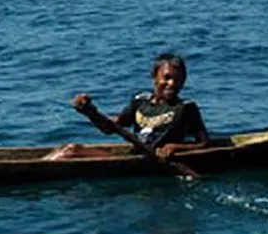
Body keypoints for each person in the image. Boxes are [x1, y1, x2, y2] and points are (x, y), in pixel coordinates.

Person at [47, 52, 209, 161]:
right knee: (70, 149)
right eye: (166, 78)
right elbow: (110, 128)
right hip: (134, 156)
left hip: (153, 160)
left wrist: (175, 147)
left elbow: (204, 144)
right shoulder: (141, 101)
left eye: (178, 79)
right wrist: (89, 111)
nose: (172, 83)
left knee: (70, 152)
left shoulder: (186, 108)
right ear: (154, 77)